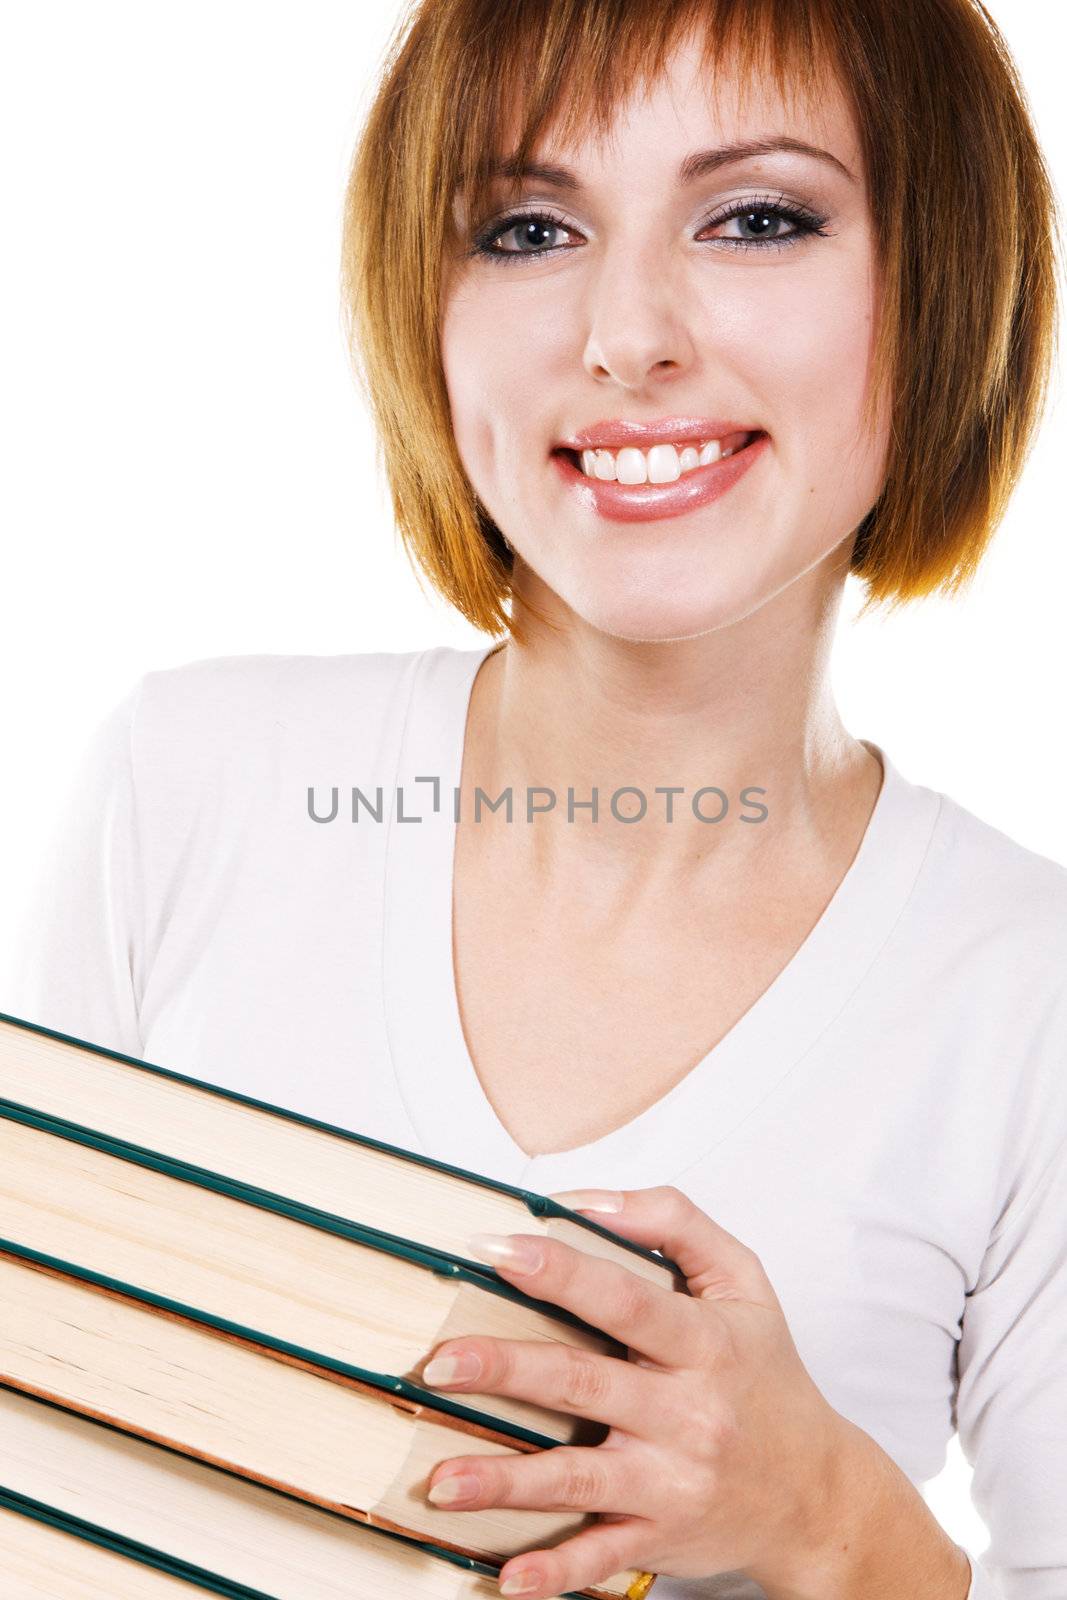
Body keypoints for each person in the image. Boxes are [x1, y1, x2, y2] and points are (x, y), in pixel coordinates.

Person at [4, 1, 1064, 1597]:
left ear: (944, 285)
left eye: (759, 218)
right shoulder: (191, 784)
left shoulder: (1029, 991)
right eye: (528, 227)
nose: (627, 333)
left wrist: (829, 1524)